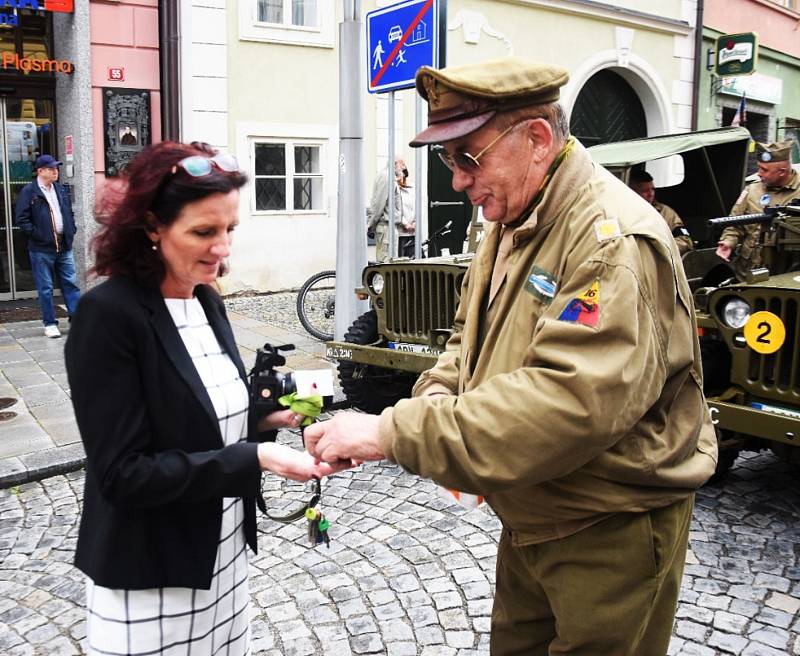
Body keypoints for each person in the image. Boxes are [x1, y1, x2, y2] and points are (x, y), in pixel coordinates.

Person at [305, 57, 717, 655]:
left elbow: (567, 404)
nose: (457, 181)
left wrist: (390, 432)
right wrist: (437, 403)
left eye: (467, 156)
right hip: (533, 513)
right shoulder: (514, 215)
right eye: (447, 160)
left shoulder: (612, 243)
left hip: (608, 527)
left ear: (537, 139)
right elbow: (464, 343)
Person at [64, 141, 350, 656]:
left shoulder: (206, 301)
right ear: (152, 226)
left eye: (229, 230)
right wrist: (255, 457)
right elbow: (122, 474)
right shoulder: (108, 315)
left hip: (221, 560)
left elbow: (206, 415)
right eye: (203, 231)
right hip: (149, 575)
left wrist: (277, 420)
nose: (222, 248)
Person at [14, 154, 80, 337]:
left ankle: (76, 319)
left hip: (64, 245)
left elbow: (68, 212)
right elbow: (21, 219)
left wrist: (71, 230)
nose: (55, 171)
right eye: (51, 169)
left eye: (56, 168)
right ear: (40, 171)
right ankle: (50, 323)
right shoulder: (30, 191)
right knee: (45, 287)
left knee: (71, 284)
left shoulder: (59, 189)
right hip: (41, 248)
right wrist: (39, 235)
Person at [716, 139, 800, 280]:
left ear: (782, 172)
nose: (759, 173)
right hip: (747, 273)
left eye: (765, 170)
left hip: (787, 274)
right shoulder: (753, 189)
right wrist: (728, 242)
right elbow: (734, 223)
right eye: (759, 167)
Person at [629, 168, 693, 255]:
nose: (650, 194)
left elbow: (685, 240)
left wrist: (662, 249)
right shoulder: (621, 213)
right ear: (632, 192)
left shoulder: (665, 212)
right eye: (644, 191)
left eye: (652, 189)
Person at [367, 156, 415, 261]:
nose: (403, 169)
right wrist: (371, 224)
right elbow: (379, 203)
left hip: (389, 227)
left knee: (390, 263)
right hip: (386, 227)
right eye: (402, 165)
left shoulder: (389, 177)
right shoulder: (386, 177)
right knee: (387, 263)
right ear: (395, 164)